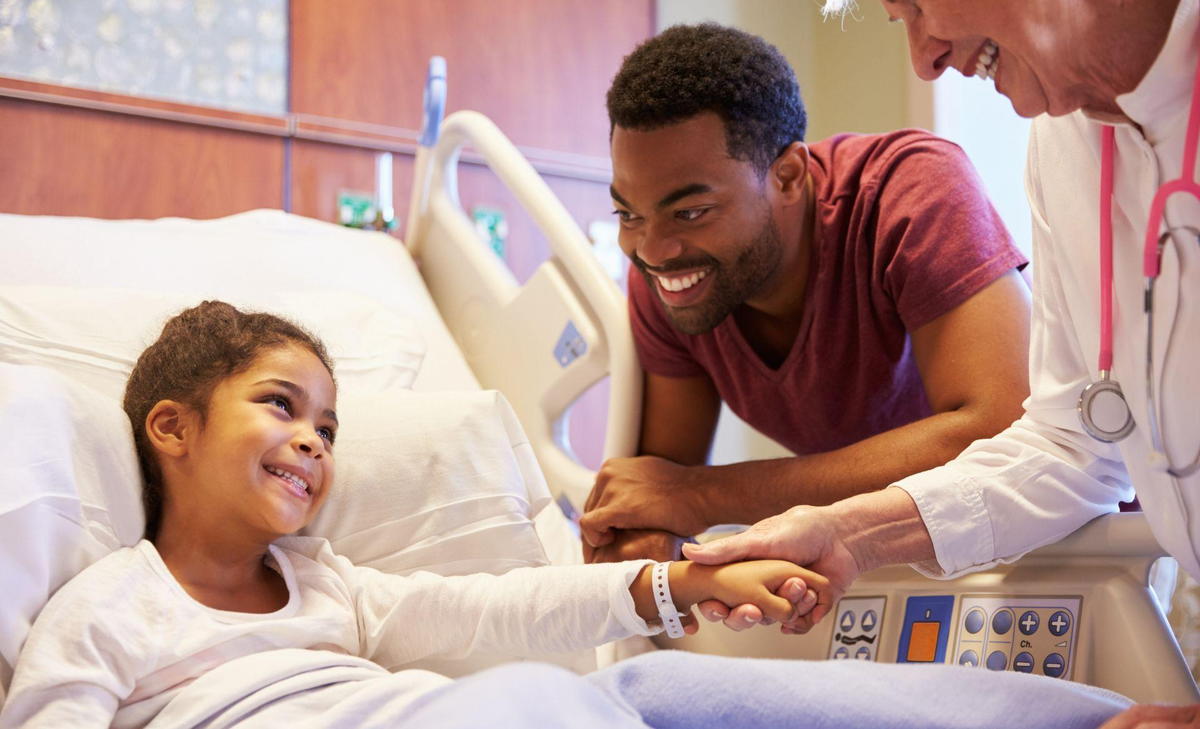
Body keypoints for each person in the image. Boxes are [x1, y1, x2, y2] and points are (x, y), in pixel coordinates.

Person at [0, 302, 1142, 729]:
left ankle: (1088, 720)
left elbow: (499, 607)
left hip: (510, 709)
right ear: (170, 428)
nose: (313, 440)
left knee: (651, 687)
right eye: (280, 407)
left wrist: (683, 584)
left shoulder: (334, 585)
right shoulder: (111, 605)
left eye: (331, 428)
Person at [680, 1, 1200, 726]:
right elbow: (1071, 443)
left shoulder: (912, 188)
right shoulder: (1066, 146)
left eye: (919, 4)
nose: (925, 59)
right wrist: (848, 534)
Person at [579, 23, 1033, 573]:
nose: (651, 250)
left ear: (789, 176)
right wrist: (645, 535)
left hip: (1060, 547)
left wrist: (706, 495)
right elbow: (663, 490)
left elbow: (1002, 431)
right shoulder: (672, 282)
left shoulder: (908, 193)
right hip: (881, 565)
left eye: (690, 212)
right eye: (628, 214)